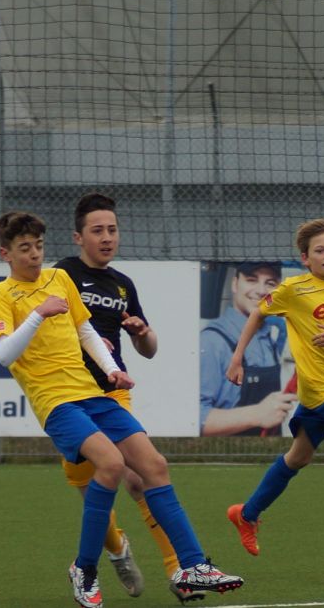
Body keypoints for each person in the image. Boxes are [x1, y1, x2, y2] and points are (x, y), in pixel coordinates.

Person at [0, 210, 243, 608]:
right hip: (55, 402)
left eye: (38, 246)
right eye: (24, 249)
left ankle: (192, 565)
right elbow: (4, 354)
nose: (34, 255)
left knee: (154, 466)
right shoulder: (1, 295)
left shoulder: (59, 279)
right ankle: (85, 569)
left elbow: (85, 330)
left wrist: (111, 369)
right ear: (6, 254)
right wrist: (38, 314)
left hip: (93, 393)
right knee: (109, 464)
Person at [54, 192, 203, 603]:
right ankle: (117, 548)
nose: (107, 237)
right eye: (97, 230)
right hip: (70, 397)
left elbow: (149, 349)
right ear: (78, 237)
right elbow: (50, 331)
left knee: (140, 477)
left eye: (112, 230)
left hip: (112, 394)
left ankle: (178, 571)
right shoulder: (62, 276)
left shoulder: (122, 284)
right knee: (96, 492)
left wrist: (142, 333)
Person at [225, 218, 324, 555]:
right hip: (317, 388)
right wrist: (237, 358)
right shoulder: (293, 290)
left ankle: (247, 514)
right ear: (305, 258)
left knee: (298, 458)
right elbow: (257, 313)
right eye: (320, 250)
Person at [200, 262, 296, 437]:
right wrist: (256, 414)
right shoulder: (212, 341)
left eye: (270, 283)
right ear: (235, 284)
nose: (261, 291)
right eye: (252, 280)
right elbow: (195, 418)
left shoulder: (268, 337)